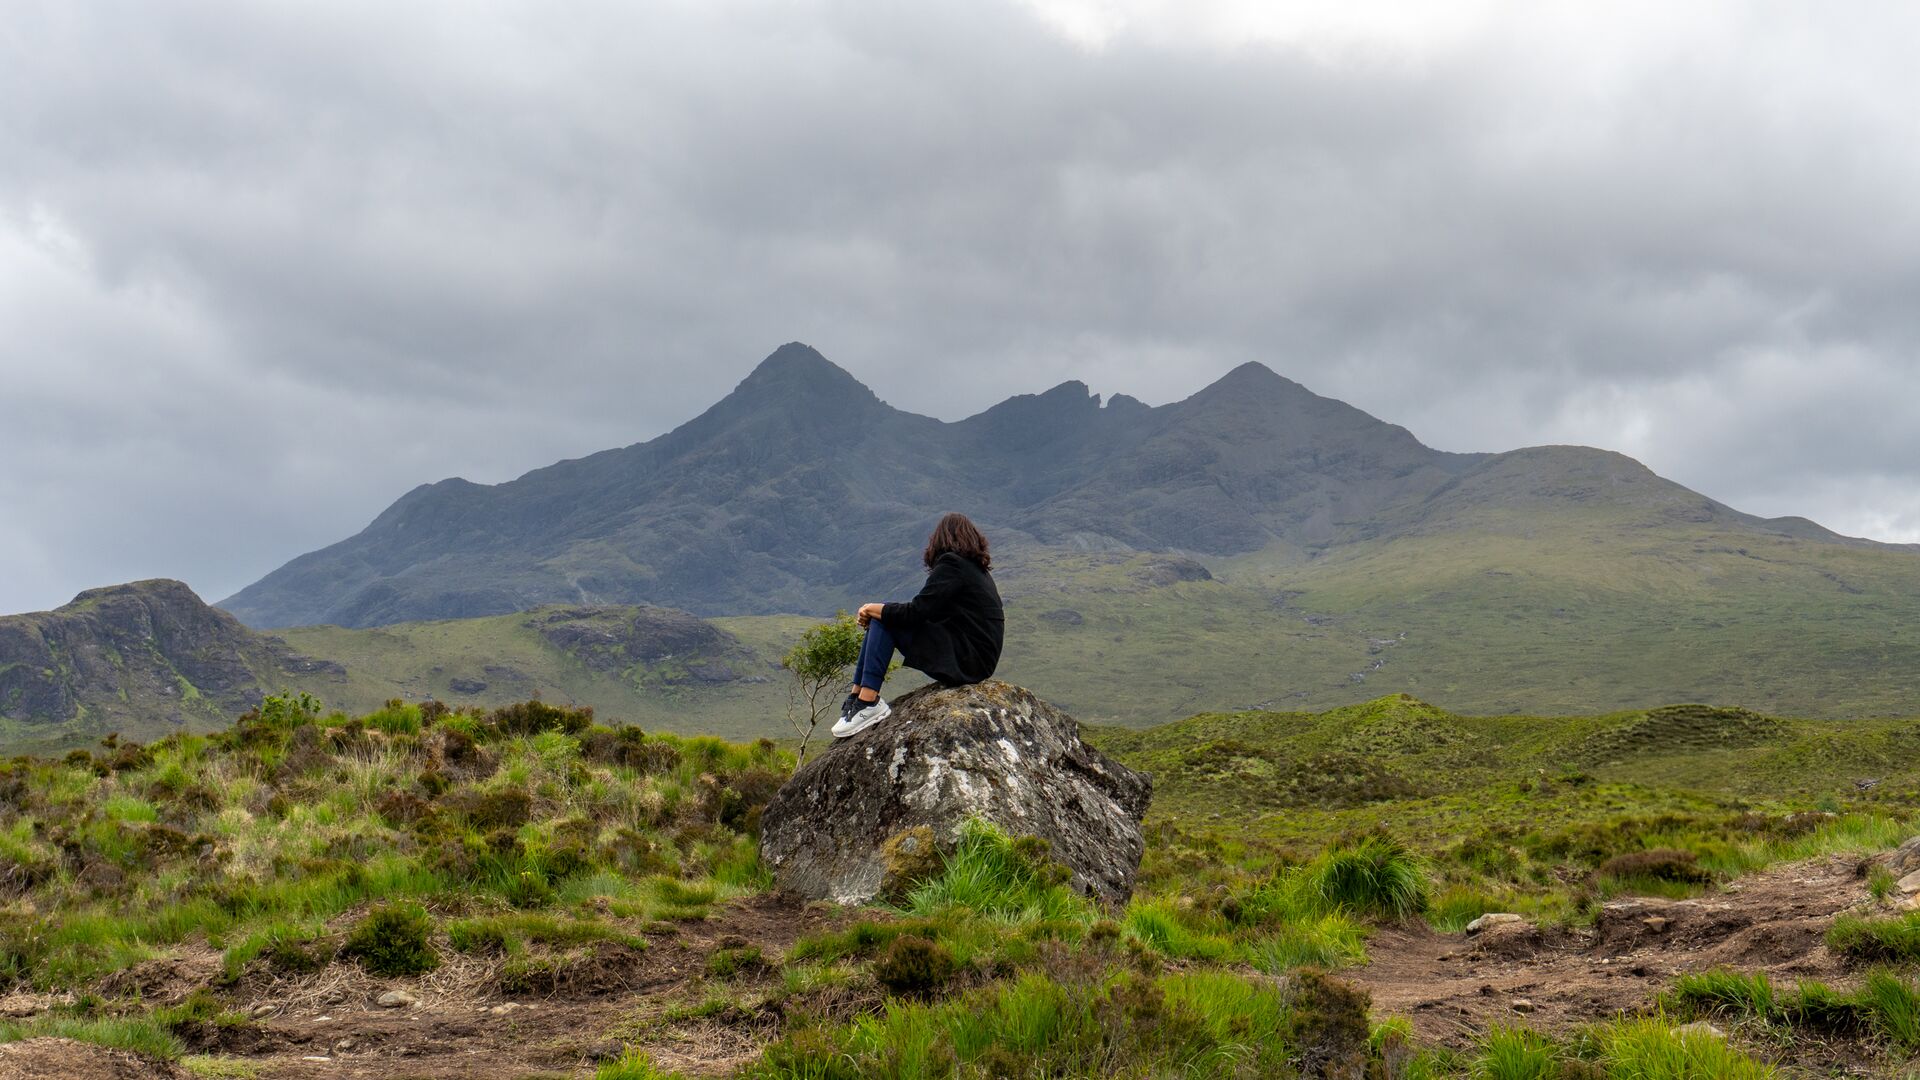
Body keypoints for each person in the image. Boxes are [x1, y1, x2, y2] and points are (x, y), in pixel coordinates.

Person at [833, 512, 1005, 738]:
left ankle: (868, 701)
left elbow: (916, 612)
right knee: (883, 617)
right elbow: (929, 613)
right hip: (974, 658)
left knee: (886, 621)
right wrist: (878, 611)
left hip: (968, 659)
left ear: (940, 539)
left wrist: (871, 608)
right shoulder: (975, 571)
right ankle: (857, 697)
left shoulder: (952, 564)